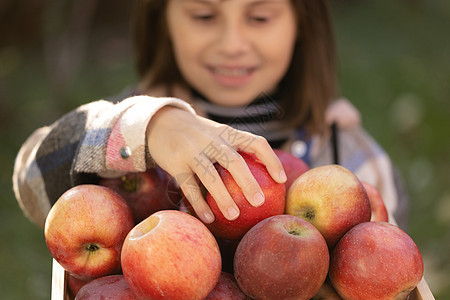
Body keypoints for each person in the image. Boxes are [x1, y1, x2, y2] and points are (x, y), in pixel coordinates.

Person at [13, 0, 408, 229]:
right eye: (204, 16)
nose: (232, 44)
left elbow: (381, 256)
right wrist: (147, 127)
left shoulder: (341, 147)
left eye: (260, 17)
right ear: (163, 19)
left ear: (302, 22)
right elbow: (32, 179)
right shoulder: (134, 123)